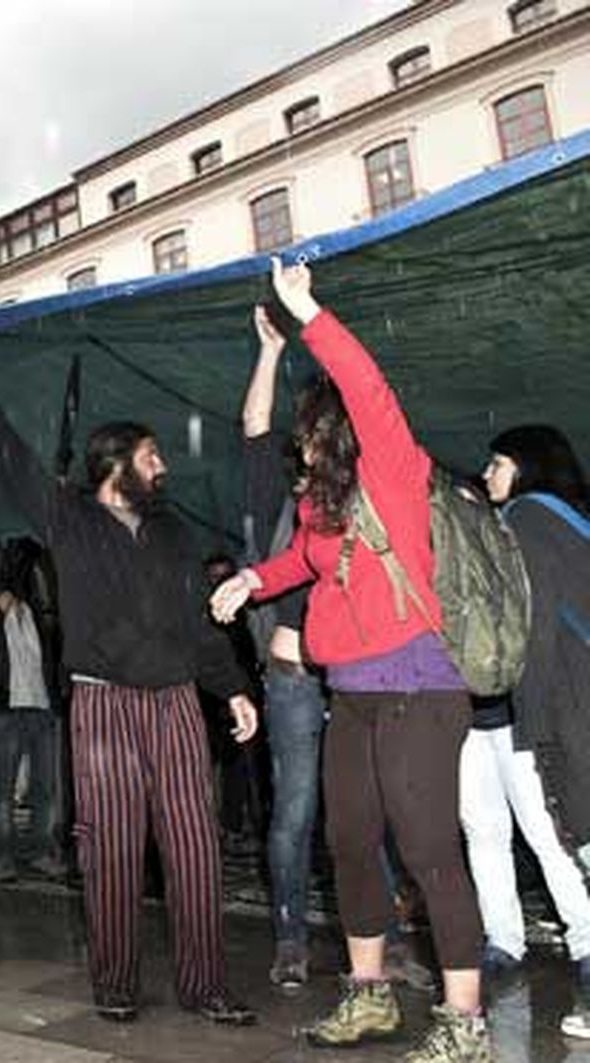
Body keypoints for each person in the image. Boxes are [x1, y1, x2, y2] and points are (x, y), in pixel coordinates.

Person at [0, 332, 258, 1025]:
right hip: (103, 705)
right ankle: (115, 980)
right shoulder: (70, 517)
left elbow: (201, 625)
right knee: (109, 846)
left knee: (195, 846)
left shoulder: (174, 534)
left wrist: (230, 685)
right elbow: (11, 462)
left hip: (175, 703)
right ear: (116, 466)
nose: (163, 465)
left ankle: (206, 986)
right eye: (151, 455)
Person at [211, 259, 489, 1059]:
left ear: (334, 434)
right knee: (349, 838)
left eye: (307, 434)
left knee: (430, 845)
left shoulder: (394, 472)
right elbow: (303, 555)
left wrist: (308, 313)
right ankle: (370, 997)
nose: (297, 445)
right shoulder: (320, 505)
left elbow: (369, 387)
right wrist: (253, 580)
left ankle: (465, 1022)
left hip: (417, 686)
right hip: (353, 693)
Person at [239, 305, 433, 995]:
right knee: (297, 809)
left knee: (375, 810)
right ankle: (291, 935)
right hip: (296, 679)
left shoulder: (360, 489)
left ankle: (390, 941)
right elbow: (254, 433)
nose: (306, 464)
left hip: (360, 675)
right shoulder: (281, 504)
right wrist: (267, 352)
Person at [475, 425, 590, 1038]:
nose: (488, 473)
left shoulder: (527, 520)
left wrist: (534, 728)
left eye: (497, 463)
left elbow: (536, 625)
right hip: (569, 696)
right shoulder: (565, 519)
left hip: (567, 704)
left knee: (573, 836)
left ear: (524, 467)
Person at [0, 543, 63, 884]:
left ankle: (40, 853)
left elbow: (50, 660)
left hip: (41, 711)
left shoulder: (39, 612)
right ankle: (2, 859)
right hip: (4, 712)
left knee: (45, 790)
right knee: (2, 792)